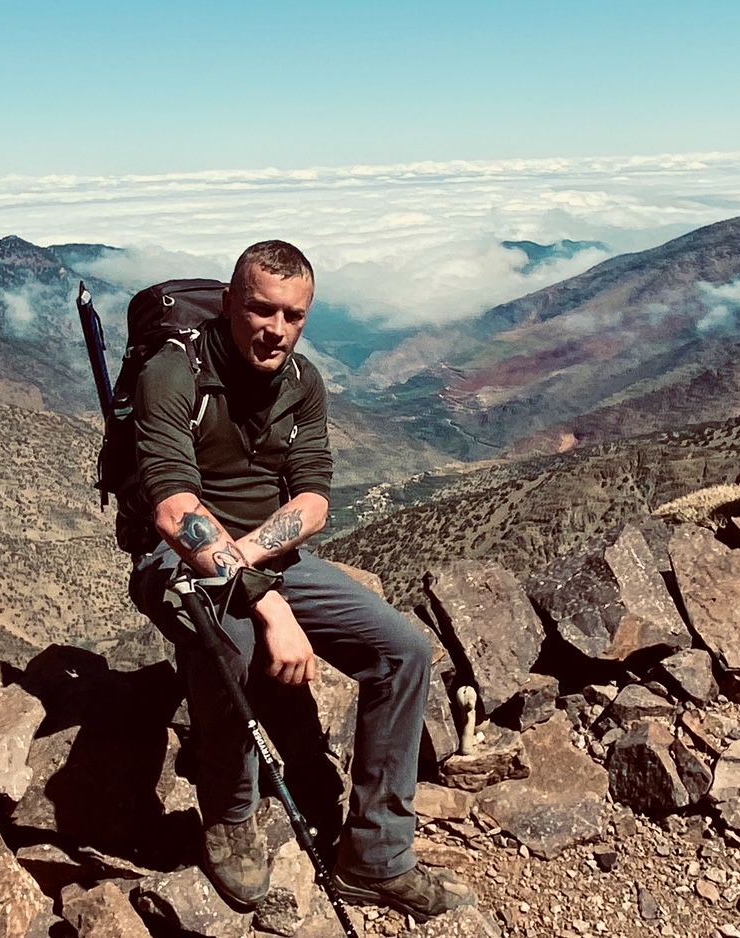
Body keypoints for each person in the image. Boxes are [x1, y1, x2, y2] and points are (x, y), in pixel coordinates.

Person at [125, 240, 476, 919]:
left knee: (403, 652)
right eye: (260, 310)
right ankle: (230, 817)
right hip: (175, 558)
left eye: (293, 316)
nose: (275, 329)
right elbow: (174, 511)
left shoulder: (302, 381)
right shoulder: (175, 375)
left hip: (264, 557)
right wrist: (266, 605)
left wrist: (257, 566)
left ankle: (376, 859)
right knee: (233, 641)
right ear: (230, 304)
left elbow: (313, 499)